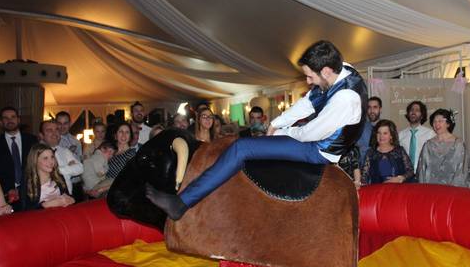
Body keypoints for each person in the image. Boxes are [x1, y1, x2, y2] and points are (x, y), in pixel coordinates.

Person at [146, 40, 367, 220]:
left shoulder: (345, 99)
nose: (308, 81)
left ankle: (181, 204)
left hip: (320, 149)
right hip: (314, 137)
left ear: (327, 71)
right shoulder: (343, 69)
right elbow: (310, 102)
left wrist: (283, 132)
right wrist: (277, 122)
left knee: (242, 148)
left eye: (310, 76)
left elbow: (310, 134)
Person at [417, 109, 470, 187]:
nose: (437, 124)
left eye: (440, 121)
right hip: (431, 191)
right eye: (434, 121)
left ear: (448, 124)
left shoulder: (458, 144)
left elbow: (463, 171)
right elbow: (422, 171)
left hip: (453, 192)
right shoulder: (428, 145)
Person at [0, 106, 37, 212]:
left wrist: (22, 189)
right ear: (1, 122)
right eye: (5, 118)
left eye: (13, 117)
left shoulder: (32, 140)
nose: (10, 120)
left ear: (18, 120)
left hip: (30, 193)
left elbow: (37, 166)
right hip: (6, 197)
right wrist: (7, 191)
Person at [23, 143, 75, 210]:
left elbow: (68, 196)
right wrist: (47, 204)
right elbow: (25, 210)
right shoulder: (28, 181)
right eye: (45, 158)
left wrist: (71, 199)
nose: (51, 162)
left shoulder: (58, 177)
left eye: (52, 157)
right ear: (35, 161)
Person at [361, 119, 414, 185]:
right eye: (379, 133)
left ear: (391, 136)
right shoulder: (370, 153)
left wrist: (401, 178)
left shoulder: (400, 151)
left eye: (385, 133)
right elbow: (364, 176)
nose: (381, 136)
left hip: (399, 191)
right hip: (378, 192)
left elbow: (410, 171)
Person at [39, 120, 84, 195]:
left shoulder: (64, 151)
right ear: (41, 135)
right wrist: (68, 168)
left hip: (67, 197)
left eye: (56, 129)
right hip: (48, 200)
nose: (54, 133)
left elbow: (80, 168)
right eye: (49, 130)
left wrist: (58, 170)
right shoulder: (37, 153)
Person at [399, 101, 435, 170]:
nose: (413, 112)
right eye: (411, 110)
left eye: (417, 110)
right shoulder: (400, 135)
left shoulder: (430, 134)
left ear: (422, 115)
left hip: (424, 174)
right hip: (405, 174)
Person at [356, 96, 382, 163]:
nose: (372, 111)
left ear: (380, 109)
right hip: (364, 168)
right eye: (369, 107)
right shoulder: (359, 128)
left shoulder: (388, 127)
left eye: (375, 107)